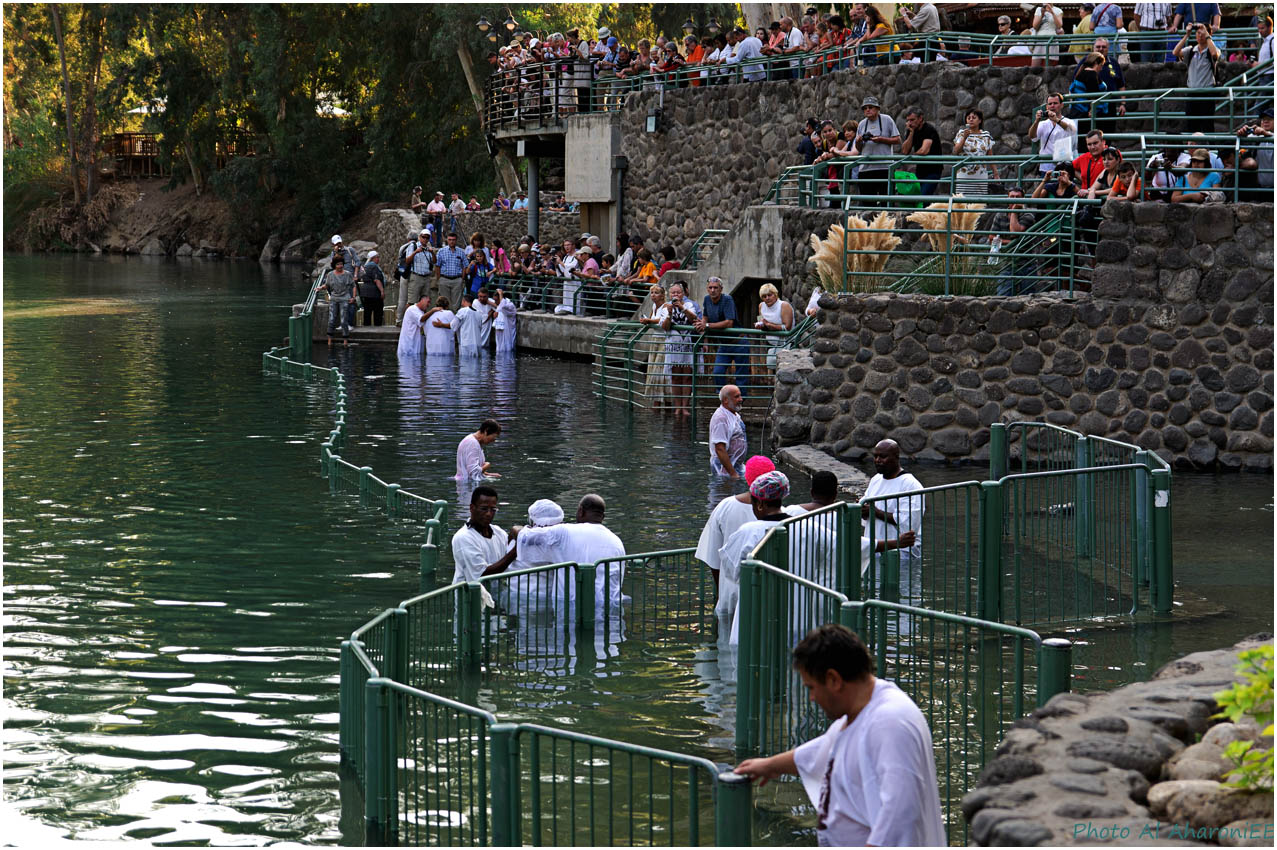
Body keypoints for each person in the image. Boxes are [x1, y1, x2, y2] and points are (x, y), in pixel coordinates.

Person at [733, 624, 946, 847]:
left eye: (811, 687)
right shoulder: (860, 713)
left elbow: (901, 812)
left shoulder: (890, 722)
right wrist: (770, 766)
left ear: (834, 680)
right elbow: (823, 751)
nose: (812, 698)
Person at [696, 455, 779, 618]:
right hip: (771, 599)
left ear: (747, 477)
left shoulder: (725, 506)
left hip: (731, 597)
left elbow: (713, 556)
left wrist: (722, 591)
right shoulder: (785, 514)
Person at [515, 494, 628, 614]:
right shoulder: (616, 541)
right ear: (602, 516)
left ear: (580, 511)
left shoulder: (564, 532)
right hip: (609, 608)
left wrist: (514, 530)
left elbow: (525, 537)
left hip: (569, 607)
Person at [862, 439, 924, 604]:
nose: (877, 460)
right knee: (874, 596)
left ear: (896, 457)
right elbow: (866, 508)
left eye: (883, 456)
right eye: (875, 456)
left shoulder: (911, 485)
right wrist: (863, 512)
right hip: (874, 549)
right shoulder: (875, 480)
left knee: (900, 598)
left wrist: (875, 512)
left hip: (901, 555)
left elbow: (909, 523)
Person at [451, 485, 518, 584]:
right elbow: (483, 574)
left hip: (497, 596)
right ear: (472, 508)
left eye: (493, 510)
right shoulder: (463, 537)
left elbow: (507, 556)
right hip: (471, 597)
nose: (488, 514)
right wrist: (516, 550)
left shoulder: (499, 532)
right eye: (484, 509)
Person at [697, 276, 749, 391]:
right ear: (707, 289)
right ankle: (723, 399)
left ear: (721, 289)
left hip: (738, 342)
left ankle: (740, 402)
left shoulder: (727, 299)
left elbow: (729, 323)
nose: (712, 290)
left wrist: (706, 326)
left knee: (741, 376)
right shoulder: (706, 299)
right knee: (718, 372)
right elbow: (705, 315)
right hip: (724, 344)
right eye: (710, 287)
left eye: (715, 288)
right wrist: (702, 324)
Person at [1173, 20, 1221, 135]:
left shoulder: (1212, 50)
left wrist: (1207, 34)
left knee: (1207, 126)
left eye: (1202, 33)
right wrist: (1187, 35)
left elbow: (1215, 54)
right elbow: (1175, 52)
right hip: (1192, 93)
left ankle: (1210, 150)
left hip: (1207, 93)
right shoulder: (1190, 50)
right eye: (1198, 33)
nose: (1200, 35)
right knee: (1191, 126)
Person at [850, 96, 900, 203]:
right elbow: (859, 149)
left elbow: (897, 140)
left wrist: (881, 139)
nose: (867, 110)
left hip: (884, 167)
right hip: (866, 169)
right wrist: (858, 141)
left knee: (886, 203)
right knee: (867, 203)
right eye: (865, 108)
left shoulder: (887, 120)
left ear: (877, 109)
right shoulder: (862, 124)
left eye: (870, 107)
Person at [661, 282, 700, 418]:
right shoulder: (666, 307)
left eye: (678, 292)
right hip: (673, 345)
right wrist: (669, 314)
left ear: (683, 294)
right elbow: (665, 327)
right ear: (669, 294)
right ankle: (677, 407)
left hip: (687, 345)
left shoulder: (689, 305)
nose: (676, 295)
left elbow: (694, 319)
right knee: (676, 377)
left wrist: (682, 307)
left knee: (687, 377)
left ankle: (685, 406)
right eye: (673, 293)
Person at [1029, 92, 1078, 178]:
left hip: (1064, 166)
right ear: (1047, 107)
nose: (1052, 106)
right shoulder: (1042, 124)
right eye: (1050, 104)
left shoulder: (1069, 121)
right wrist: (1036, 121)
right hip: (1046, 166)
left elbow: (1072, 131)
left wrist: (1056, 120)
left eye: (1055, 103)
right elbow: (1032, 137)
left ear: (1062, 105)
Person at [953, 109, 997, 196]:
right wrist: (964, 138)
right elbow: (956, 151)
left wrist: (995, 173)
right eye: (968, 118)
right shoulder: (961, 133)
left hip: (980, 174)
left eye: (974, 117)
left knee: (979, 201)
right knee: (962, 200)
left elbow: (990, 156)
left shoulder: (986, 135)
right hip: (964, 173)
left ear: (980, 120)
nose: (971, 120)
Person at [901, 107, 943, 196]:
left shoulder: (928, 129)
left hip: (933, 170)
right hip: (920, 170)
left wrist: (913, 155)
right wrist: (911, 133)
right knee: (918, 199)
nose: (910, 123)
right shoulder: (911, 130)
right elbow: (905, 151)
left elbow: (924, 151)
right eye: (908, 120)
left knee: (923, 197)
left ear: (920, 118)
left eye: (912, 120)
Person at [709, 384, 747, 479]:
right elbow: (720, 449)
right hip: (724, 470)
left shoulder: (733, 414)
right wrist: (733, 474)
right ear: (726, 400)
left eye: (740, 395)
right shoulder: (721, 419)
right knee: (725, 493)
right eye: (736, 397)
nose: (741, 399)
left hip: (736, 467)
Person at [320, 256, 357, 346]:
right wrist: (320, 287)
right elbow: (327, 285)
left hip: (345, 299)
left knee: (344, 320)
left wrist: (354, 297)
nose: (340, 266)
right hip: (334, 298)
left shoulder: (347, 274)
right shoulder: (330, 275)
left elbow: (354, 285)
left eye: (341, 264)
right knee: (331, 319)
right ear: (334, 265)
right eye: (338, 264)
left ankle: (345, 340)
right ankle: (329, 340)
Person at [434, 232, 468, 309]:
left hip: (457, 280)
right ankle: (444, 319)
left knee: (457, 303)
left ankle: (455, 318)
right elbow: (437, 266)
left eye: (453, 240)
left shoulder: (461, 252)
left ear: (456, 240)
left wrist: (462, 279)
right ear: (447, 240)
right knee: (444, 302)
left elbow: (465, 266)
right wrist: (439, 279)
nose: (452, 241)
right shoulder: (441, 251)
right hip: (444, 279)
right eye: (450, 240)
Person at [396, 292, 430, 359]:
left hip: (415, 348)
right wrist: (433, 311)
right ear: (422, 300)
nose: (429, 305)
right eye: (428, 302)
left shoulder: (421, 312)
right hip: (408, 348)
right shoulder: (412, 309)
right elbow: (421, 319)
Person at [1031, 3, 1065, 68]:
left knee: (1048, 68)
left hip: (1051, 39)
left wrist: (1052, 12)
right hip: (1039, 39)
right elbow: (1035, 26)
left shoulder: (1058, 10)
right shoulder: (1038, 9)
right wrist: (1042, 14)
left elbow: (1059, 26)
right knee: (1034, 67)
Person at [358, 250, 386, 326]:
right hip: (374, 293)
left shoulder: (365, 266)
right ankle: (378, 329)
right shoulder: (374, 266)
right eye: (377, 257)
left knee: (367, 312)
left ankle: (366, 329)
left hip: (365, 292)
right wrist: (382, 291)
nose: (378, 259)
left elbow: (361, 277)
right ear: (373, 258)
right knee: (378, 312)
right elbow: (377, 280)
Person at [493, 288, 517, 353]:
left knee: (508, 352)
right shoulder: (499, 307)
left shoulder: (510, 306)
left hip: (507, 335)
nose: (495, 302)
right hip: (500, 336)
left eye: (496, 300)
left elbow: (503, 306)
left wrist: (501, 294)